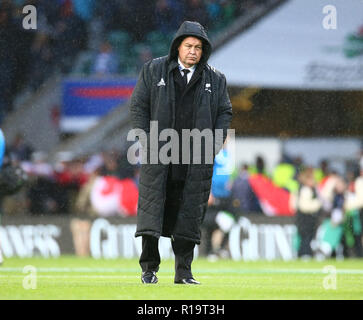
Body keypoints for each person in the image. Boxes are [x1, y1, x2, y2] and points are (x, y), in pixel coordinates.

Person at [129, 21, 232, 284]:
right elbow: (139, 106)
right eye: (188, 46)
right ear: (178, 46)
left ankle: (184, 273)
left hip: (195, 159)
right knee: (153, 213)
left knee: (189, 215)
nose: (193, 51)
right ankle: (149, 269)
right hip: (160, 155)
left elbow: (224, 113)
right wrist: (146, 140)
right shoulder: (153, 70)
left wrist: (213, 145)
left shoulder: (216, 78)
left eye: (198, 47)